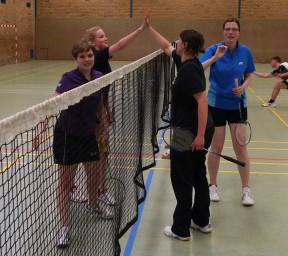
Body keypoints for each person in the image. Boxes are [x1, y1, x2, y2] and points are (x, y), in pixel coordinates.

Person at [33, 40, 114, 248]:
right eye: (82, 56)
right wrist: (41, 129)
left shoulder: (99, 77)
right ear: (76, 59)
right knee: (65, 183)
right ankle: (64, 228)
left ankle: (93, 204)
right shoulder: (69, 79)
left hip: (88, 135)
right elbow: (52, 104)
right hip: (67, 136)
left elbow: (100, 106)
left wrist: (104, 126)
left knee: (94, 175)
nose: (87, 59)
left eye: (89, 55)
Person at [146, 15, 215, 240]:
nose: (175, 42)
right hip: (193, 130)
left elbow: (202, 101)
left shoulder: (188, 71)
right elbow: (166, 46)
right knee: (197, 175)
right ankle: (201, 220)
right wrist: (149, 28)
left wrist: (200, 136)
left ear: (185, 45)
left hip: (188, 132)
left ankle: (181, 229)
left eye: (179, 40)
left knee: (182, 179)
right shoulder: (185, 63)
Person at [69, 17, 149, 205]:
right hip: (87, 112)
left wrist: (106, 109)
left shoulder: (100, 58)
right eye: (101, 36)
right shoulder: (98, 55)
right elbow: (121, 45)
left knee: (102, 151)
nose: (106, 38)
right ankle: (77, 188)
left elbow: (102, 91)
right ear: (92, 42)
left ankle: (100, 190)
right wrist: (140, 29)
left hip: (100, 109)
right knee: (88, 151)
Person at [199, 18, 255, 206]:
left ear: (239, 32)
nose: (230, 32)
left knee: (240, 147)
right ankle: (212, 185)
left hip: (238, 105)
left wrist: (244, 87)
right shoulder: (214, 49)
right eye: (227, 29)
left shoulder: (246, 52)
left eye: (234, 29)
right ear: (223, 32)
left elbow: (248, 75)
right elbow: (198, 68)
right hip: (216, 104)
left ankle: (246, 190)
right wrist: (216, 58)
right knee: (217, 147)